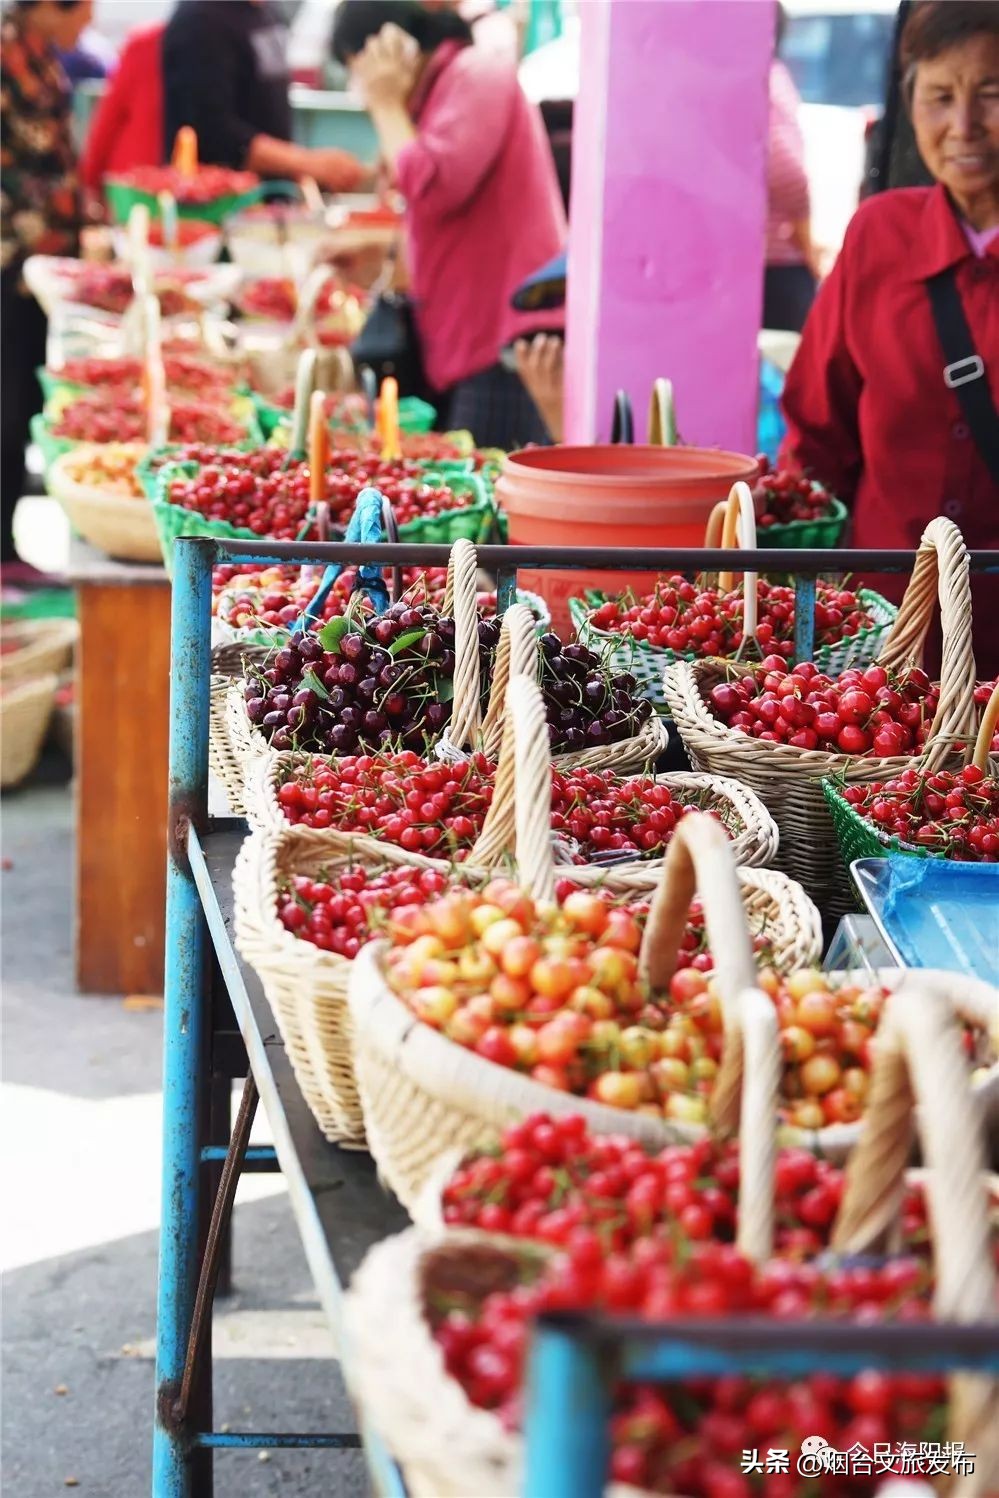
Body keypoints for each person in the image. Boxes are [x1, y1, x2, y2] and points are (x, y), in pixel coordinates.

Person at [779, 0, 999, 674]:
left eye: (991, 94)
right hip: (875, 640)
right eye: (938, 96)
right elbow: (815, 435)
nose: (962, 125)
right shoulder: (877, 236)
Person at [332, 0, 566, 449]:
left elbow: (433, 186)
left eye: (357, 73)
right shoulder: (440, 89)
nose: (360, 91)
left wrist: (384, 104)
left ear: (388, 49)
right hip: (468, 341)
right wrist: (381, 253)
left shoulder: (478, 73)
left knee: (487, 499)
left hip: (505, 347)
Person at [1, 0, 92, 582]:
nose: (91, 18)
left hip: (41, 261)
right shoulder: (8, 57)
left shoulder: (42, 57)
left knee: (24, 397)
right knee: (8, 403)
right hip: (12, 259)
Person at [162, 1, 367, 194]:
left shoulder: (266, 11)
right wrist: (307, 162)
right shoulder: (200, 20)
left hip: (270, 203)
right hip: (217, 207)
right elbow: (213, 133)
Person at [764, 6, 819, 332]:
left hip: (770, 268)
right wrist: (808, 245)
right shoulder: (768, 78)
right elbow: (789, 173)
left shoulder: (759, 78)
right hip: (777, 266)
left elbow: (786, 174)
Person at [79, 23, 164, 191]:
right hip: (140, 184)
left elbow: (108, 118)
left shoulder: (146, 44)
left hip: (130, 185)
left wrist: (90, 181)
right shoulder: (146, 44)